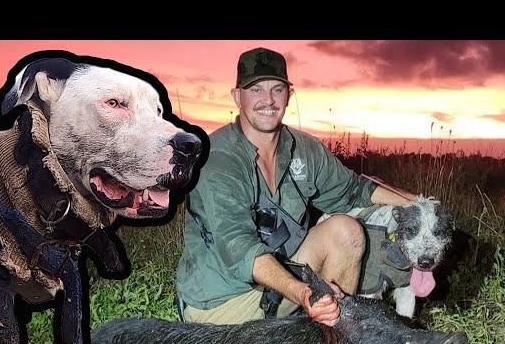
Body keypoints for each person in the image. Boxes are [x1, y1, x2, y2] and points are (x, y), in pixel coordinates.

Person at [175, 47, 417, 326]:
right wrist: (305, 293)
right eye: (256, 90)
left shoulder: (304, 148)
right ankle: (306, 331)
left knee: (346, 232)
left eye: (277, 89)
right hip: (223, 302)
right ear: (236, 96)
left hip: (282, 284)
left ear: (289, 94)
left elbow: (355, 189)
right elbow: (240, 249)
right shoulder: (218, 158)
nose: (268, 100)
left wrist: (417, 202)